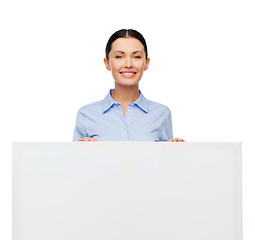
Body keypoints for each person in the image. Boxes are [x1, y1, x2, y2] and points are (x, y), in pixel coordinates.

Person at [73, 29, 184, 142]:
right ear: (107, 63)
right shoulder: (86, 114)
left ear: (146, 63)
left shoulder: (161, 113)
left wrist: (178, 151)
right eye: (119, 57)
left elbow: (165, 158)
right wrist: (83, 152)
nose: (128, 64)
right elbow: (74, 158)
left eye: (136, 57)